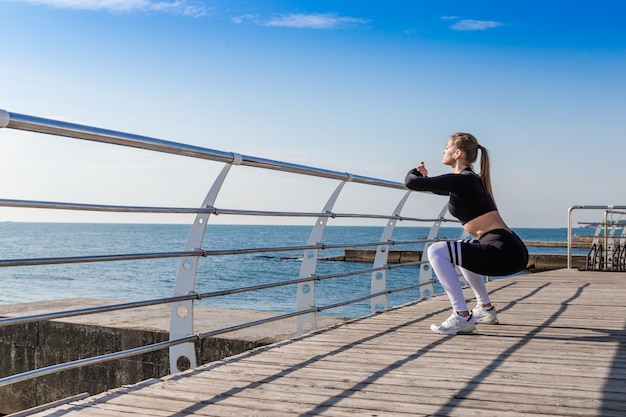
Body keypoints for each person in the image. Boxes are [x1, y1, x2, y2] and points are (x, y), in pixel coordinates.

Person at [405, 132, 528, 335]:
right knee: (465, 246)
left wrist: (415, 172)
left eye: (447, 147)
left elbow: (411, 182)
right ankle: (485, 309)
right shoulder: (467, 180)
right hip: (510, 249)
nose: (443, 150)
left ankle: (462, 317)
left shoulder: (464, 180)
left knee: (436, 251)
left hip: (503, 251)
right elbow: (437, 188)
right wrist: (425, 178)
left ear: (458, 153)